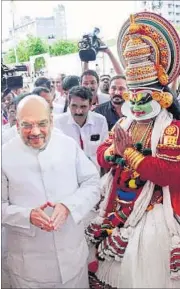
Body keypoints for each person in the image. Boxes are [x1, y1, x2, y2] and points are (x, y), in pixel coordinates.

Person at [85, 12, 180, 288]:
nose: (136, 103)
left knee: (145, 261)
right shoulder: (125, 122)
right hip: (115, 199)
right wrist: (115, 151)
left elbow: (172, 174)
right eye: (133, 95)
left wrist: (131, 155)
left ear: (160, 96)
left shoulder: (171, 128)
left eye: (143, 96)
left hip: (152, 207)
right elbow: (101, 153)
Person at [2, 95, 100, 288]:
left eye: (42, 123)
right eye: (27, 125)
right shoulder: (4, 155)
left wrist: (68, 207)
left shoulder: (68, 145)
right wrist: (26, 215)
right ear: (16, 125)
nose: (35, 131)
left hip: (72, 258)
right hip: (28, 266)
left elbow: (93, 183)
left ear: (52, 121)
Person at [54, 86, 108, 171]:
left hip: (94, 175)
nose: (78, 111)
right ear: (68, 104)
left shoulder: (100, 121)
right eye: (74, 106)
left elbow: (105, 151)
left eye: (83, 107)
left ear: (90, 105)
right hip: (69, 174)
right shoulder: (58, 122)